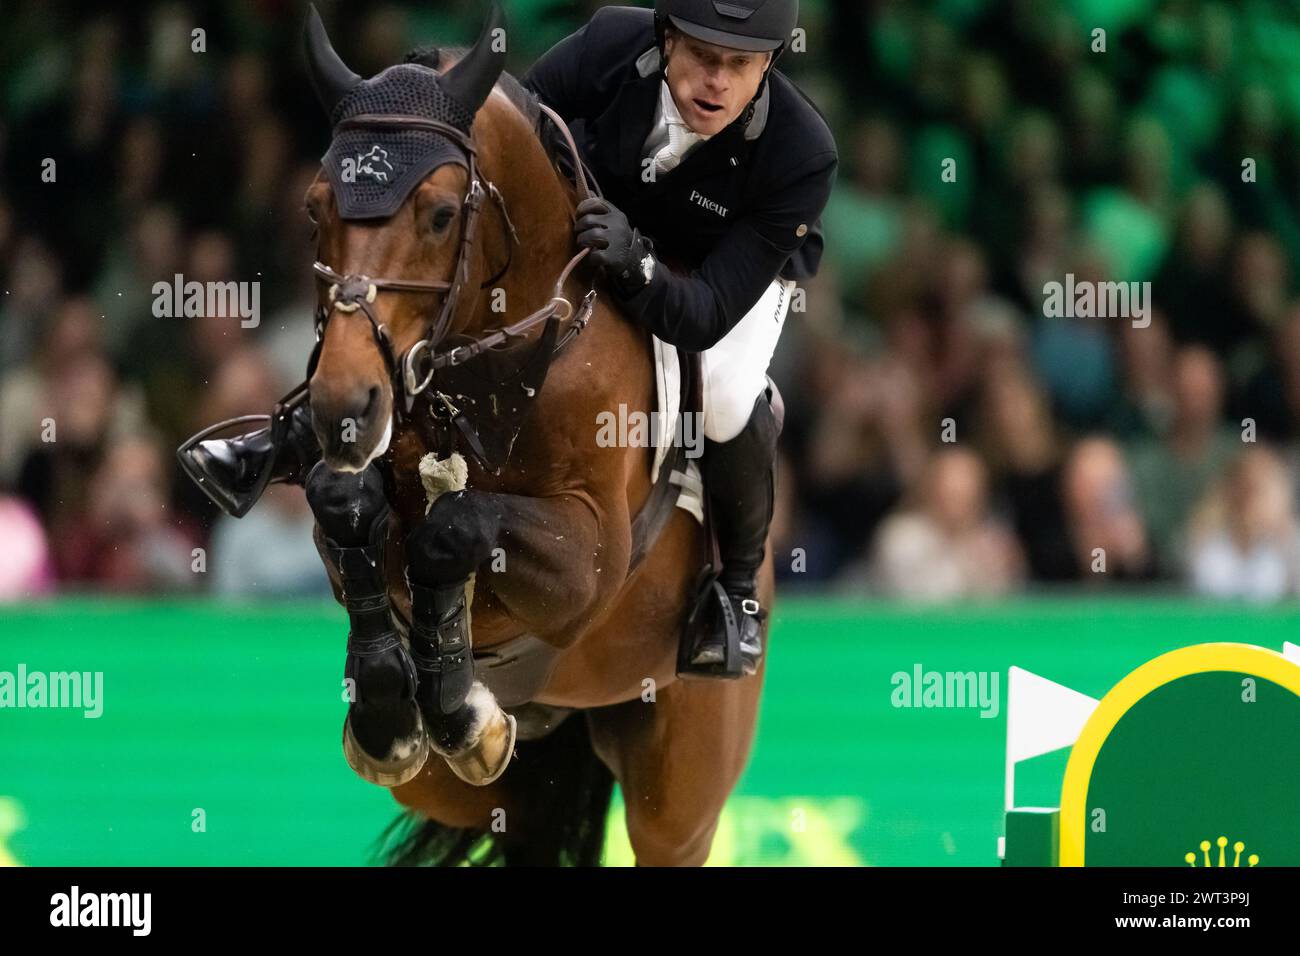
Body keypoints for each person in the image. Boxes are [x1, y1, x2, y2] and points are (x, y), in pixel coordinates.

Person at [178, 0, 837, 679]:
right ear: (665, 39)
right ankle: (292, 434)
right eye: (702, 56)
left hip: (715, 273)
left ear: (770, 63)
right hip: (592, 222)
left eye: (740, 65)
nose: (717, 82)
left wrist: (637, 261)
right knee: (449, 309)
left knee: (727, 397)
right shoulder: (612, 42)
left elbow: (703, 312)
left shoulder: (801, 152)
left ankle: (734, 595)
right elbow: (508, 125)